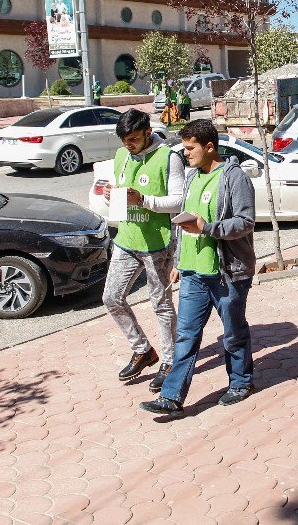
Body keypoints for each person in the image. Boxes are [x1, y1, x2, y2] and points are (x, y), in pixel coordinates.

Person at [140, 119, 257, 416]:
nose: (186, 153)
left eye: (190, 148)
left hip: (226, 272)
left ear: (209, 147)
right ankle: (171, 396)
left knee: (233, 331)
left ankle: (241, 382)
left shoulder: (234, 178)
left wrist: (208, 227)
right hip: (193, 272)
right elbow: (183, 222)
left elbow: (245, 222)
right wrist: (179, 261)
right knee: (187, 336)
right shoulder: (192, 177)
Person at [102, 109, 185, 389]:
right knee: (111, 297)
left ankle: (171, 361)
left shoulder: (169, 157)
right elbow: (121, 193)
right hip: (126, 238)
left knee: (160, 303)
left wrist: (144, 200)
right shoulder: (120, 155)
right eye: (124, 140)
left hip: (157, 242)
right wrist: (111, 194)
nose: (129, 145)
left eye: (134, 139)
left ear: (148, 132)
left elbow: (177, 201)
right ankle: (142, 350)